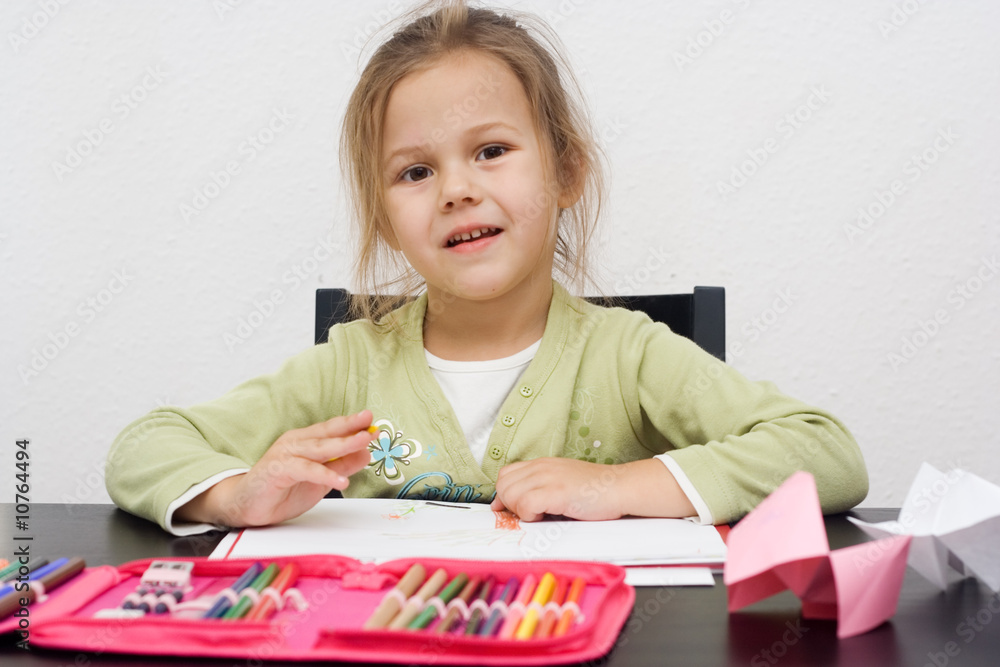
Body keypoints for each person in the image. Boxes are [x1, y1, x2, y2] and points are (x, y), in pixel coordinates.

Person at [106, 0, 868, 535]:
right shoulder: (348, 368)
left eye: (491, 151)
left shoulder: (629, 355)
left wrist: (619, 485)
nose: (458, 189)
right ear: (385, 218)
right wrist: (241, 495)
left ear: (566, 170)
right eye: (414, 172)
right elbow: (142, 446)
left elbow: (827, 455)